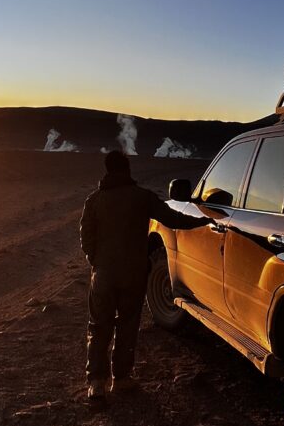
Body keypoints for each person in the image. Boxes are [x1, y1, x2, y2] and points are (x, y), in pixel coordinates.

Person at [80, 149, 213, 400]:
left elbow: (86, 239)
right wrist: (203, 222)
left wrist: (96, 263)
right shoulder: (142, 198)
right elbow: (173, 218)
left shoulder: (94, 201)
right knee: (128, 325)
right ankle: (121, 379)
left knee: (99, 327)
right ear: (126, 169)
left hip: (103, 276)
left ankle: (96, 383)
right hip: (133, 274)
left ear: (108, 170)